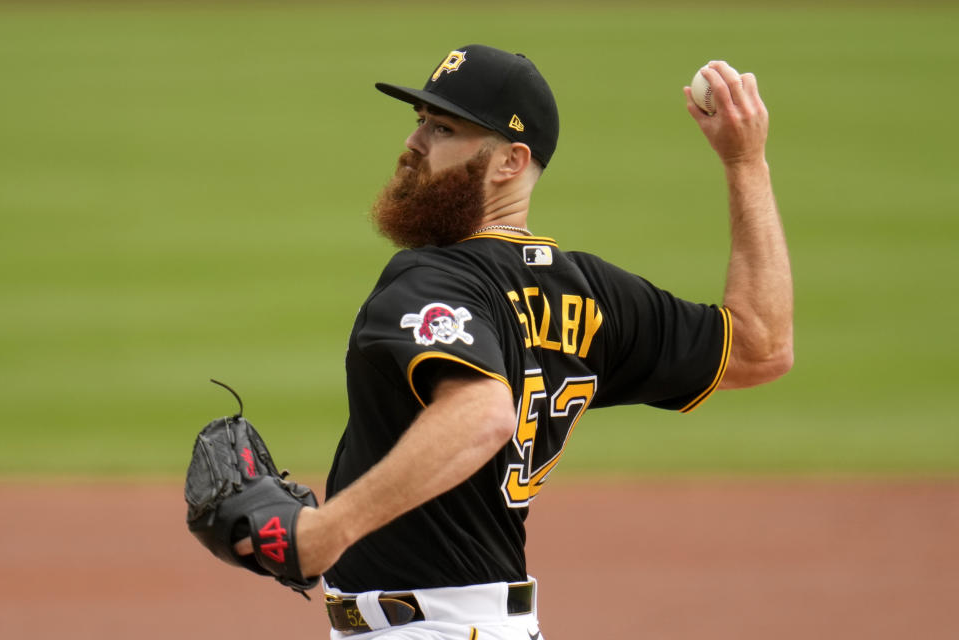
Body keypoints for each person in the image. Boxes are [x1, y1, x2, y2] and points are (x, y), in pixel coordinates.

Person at [257, 44, 792, 639]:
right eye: (419, 122)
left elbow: (483, 414)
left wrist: (325, 531)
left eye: (442, 128)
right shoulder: (588, 293)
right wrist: (746, 165)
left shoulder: (430, 278)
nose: (413, 145)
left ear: (511, 161)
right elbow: (759, 346)